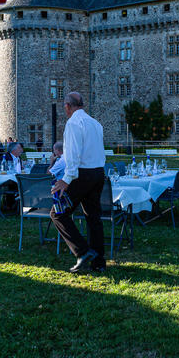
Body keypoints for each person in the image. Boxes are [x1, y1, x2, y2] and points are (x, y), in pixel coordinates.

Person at [50, 92, 107, 274]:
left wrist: (66, 179)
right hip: (98, 173)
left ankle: (83, 251)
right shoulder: (95, 123)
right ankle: (99, 263)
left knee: (58, 213)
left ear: (67, 106)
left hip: (81, 174)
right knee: (93, 218)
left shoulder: (74, 123)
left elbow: (73, 154)